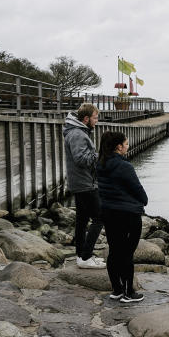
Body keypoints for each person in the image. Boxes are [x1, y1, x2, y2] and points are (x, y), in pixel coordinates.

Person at [97, 131, 148, 303]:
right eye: (126, 144)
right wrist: (144, 201)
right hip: (128, 215)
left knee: (114, 251)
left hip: (109, 212)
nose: (127, 146)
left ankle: (117, 290)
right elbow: (139, 191)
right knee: (127, 254)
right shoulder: (125, 166)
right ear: (118, 147)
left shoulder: (100, 164)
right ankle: (129, 293)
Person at [63, 103, 106, 269]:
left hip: (81, 182)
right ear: (86, 118)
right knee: (99, 217)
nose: (97, 121)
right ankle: (86, 257)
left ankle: (81, 256)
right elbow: (81, 159)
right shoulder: (77, 134)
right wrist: (100, 155)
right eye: (95, 118)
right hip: (85, 183)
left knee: (82, 220)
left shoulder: (78, 132)